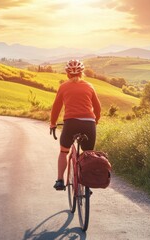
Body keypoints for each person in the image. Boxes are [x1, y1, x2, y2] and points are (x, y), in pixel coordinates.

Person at [50, 59, 101, 190]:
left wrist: (53, 124)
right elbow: (97, 107)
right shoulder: (89, 86)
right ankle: (88, 184)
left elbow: (56, 107)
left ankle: (60, 181)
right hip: (89, 124)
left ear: (67, 74)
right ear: (82, 73)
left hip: (71, 123)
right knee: (88, 154)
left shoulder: (63, 87)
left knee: (63, 152)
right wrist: (95, 121)